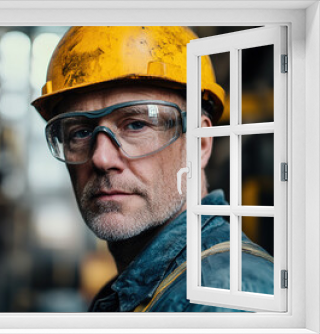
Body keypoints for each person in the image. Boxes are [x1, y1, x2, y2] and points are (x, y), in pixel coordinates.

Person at [31, 26, 274, 312]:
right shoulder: (140, 293)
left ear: (201, 143)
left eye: (136, 124)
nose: (101, 158)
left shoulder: (223, 298)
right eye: (80, 132)